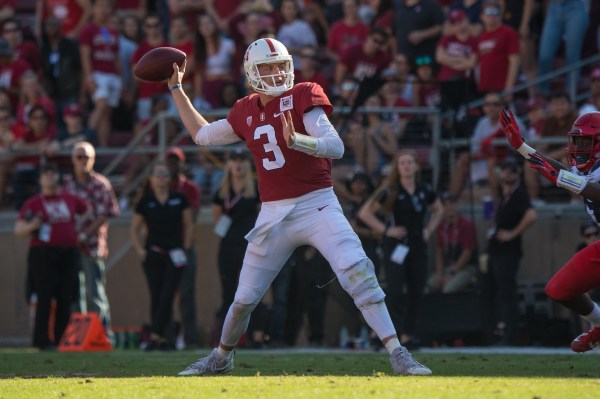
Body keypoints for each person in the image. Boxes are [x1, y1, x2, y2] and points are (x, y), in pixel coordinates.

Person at [171, 37, 431, 376]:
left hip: (316, 204)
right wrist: (177, 88)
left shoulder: (304, 94)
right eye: (268, 67)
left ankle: (398, 353)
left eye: (281, 65)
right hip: (273, 213)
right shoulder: (245, 109)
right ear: (252, 72)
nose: (278, 73)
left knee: (357, 271)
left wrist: (299, 141)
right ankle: (220, 357)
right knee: (244, 300)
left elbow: (335, 147)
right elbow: (202, 135)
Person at [499, 109, 600, 352]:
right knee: (559, 290)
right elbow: (559, 171)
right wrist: (522, 147)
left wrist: (556, 175)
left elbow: (581, 186)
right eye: (577, 141)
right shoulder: (586, 169)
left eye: (587, 141)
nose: (580, 147)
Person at [358, 149, 444, 349]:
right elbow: (365, 213)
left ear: (416, 166)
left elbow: (438, 209)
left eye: (410, 162)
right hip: (396, 245)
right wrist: (386, 230)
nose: (406, 166)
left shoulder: (424, 189)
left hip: (417, 245)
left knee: (416, 291)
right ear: (397, 167)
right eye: (402, 163)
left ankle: (407, 335)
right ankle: (377, 333)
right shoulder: (390, 190)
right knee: (394, 290)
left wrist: (428, 230)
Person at [14, 162, 88, 350]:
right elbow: (18, 229)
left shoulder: (70, 199)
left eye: (52, 173)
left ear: (58, 177)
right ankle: (41, 341)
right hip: (43, 253)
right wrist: (33, 226)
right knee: (44, 298)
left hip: (69, 252)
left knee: (66, 297)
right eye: (45, 174)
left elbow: (89, 211)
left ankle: (61, 339)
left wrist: (82, 231)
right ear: (40, 180)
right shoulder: (33, 203)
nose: (49, 177)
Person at [130, 161, 194, 351]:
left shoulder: (179, 198)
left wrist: (186, 247)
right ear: (150, 178)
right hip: (154, 253)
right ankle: (163, 339)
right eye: (157, 174)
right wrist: (140, 250)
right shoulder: (145, 201)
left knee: (168, 293)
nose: (161, 178)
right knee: (156, 295)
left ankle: (156, 335)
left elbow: (189, 224)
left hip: (175, 253)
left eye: (165, 174)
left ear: (170, 178)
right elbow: (134, 229)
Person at [62, 141, 119, 339]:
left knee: (95, 293)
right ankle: (79, 337)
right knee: (74, 293)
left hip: (92, 246)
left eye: (87, 157)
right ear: (72, 160)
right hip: (70, 245)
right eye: (79, 157)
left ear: (93, 160)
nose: (83, 161)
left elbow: (105, 214)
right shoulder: (67, 184)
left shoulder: (100, 183)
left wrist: (84, 235)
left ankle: (102, 335)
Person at [481, 155, 537, 345]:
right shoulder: (500, 195)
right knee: (494, 292)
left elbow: (531, 215)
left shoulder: (519, 194)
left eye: (511, 170)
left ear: (517, 173)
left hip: (508, 252)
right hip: (495, 251)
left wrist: (513, 233)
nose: (506, 172)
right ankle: (496, 332)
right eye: (504, 169)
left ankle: (510, 335)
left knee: (507, 293)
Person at [211, 149, 260, 344]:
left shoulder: (255, 189)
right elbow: (217, 223)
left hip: (249, 246)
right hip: (228, 246)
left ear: (248, 164)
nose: (238, 164)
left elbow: (261, 217)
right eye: (234, 159)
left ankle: (256, 336)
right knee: (228, 291)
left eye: (242, 160)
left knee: (252, 291)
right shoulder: (221, 192)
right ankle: (226, 339)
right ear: (229, 164)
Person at [165, 146, 202, 348]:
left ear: (182, 163)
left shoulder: (190, 188)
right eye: (169, 161)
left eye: (176, 161)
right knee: (165, 294)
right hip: (166, 246)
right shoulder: (160, 187)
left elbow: (192, 218)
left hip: (184, 245)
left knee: (187, 294)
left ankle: (190, 338)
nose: (172, 165)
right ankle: (166, 338)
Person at [427, 192, 478, 294]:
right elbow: (439, 252)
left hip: (466, 268)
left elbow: (467, 253)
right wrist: (440, 274)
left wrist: (452, 274)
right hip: (449, 267)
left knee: (448, 289)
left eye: (452, 204)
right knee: (431, 284)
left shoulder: (466, 225)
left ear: (457, 205)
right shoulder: (441, 227)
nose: (449, 207)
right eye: (446, 205)